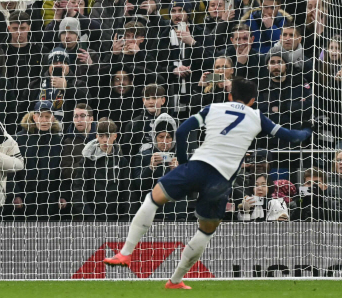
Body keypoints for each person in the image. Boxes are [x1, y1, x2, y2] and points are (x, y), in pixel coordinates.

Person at [104, 78, 313, 289]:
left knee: (153, 199)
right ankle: (175, 280)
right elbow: (291, 137)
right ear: (252, 100)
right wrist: (307, 131)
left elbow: (181, 132)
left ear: (230, 95)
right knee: (205, 231)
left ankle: (125, 253)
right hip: (221, 181)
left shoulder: (212, 108)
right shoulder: (257, 116)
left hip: (198, 166)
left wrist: (184, 163)